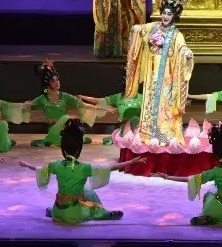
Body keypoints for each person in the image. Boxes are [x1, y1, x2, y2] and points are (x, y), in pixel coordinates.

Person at [17, 118, 146, 223]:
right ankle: (103, 214)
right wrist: (131, 162)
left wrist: (27, 165)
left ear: (63, 148)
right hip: (75, 214)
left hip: (58, 211)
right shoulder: (84, 168)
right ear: (79, 149)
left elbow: (41, 170)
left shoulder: (56, 165)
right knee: (89, 192)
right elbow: (109, 167)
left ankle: (54, 211)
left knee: (77, 193)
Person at [124, 0, 193, 146]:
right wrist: (136, 29)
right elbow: (140, 30)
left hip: (167, 76)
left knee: (165, 104)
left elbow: (182, 48)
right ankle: (147, 133)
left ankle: (165, 135)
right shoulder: (153, 27)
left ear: (174, 16)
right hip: (151, 73)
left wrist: (186, 53)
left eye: (169, 14)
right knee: (149, 101)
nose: (166, 17)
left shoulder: (176, 34)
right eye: (164, 13)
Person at [29, 58, 112, 147]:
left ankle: (69, 139)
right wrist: (24, 105)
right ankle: (55, 140)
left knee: (76, 134)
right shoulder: (42, 99)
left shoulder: (65, 96)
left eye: (57, 80)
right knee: (66, 119)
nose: (57, 83)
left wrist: (102, 107)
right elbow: (27, 107)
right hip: (53, 129)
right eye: (53, 81)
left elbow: (84, 105)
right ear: (47, 83)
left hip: (65, 129)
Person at [79, 65, 142, 146]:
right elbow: (99, 101)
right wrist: (82, 97)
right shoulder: (118, 97)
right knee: (110, 141)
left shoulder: (142, 98)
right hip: (124, 128)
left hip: (137, 129)